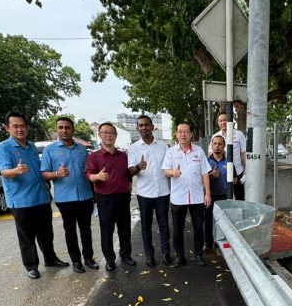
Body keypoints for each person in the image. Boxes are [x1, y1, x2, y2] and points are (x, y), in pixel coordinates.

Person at [0, 110, 68, 279]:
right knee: (26, 236)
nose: (19, 129)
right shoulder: (3, 147)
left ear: (27, 128)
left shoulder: (31, 146)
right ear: (8, 128)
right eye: (15, 126)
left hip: (41, 197)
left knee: (46, 233)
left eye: (22, 126)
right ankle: (31, 266)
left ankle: (50, 259)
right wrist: (16, 170)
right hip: (20, 201)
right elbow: (3, 171)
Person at [41, 116, 99, 273]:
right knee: (70, 231)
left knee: (86, 230)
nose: (64, 130)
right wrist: (56, 174)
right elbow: (44, 174)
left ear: (73, 130)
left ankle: (88, 258)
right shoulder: (49, 150)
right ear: (56, 130)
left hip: (85, 197)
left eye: (67, 127)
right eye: (60, 127)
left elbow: (89, 171)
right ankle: (76, 261)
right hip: (65, 199)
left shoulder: (82, 149)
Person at [84, 122, 136, 271]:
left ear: (115, 136)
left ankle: (126, 255)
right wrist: (97, 176)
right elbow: (88, 174)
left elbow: (128, 174)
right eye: (105, 132)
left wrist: (129, 185)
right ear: (99, 135)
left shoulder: (122, 155)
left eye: (111, 133)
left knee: (125, 229)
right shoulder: (94, 156)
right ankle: (110, 259)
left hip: (122, 197)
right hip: (104, 199)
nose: (108, 135)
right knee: (106, 230)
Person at [162, 122, 211, 267]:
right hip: (178, 198)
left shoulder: (199, 151)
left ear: (191, 134)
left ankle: (198, 255)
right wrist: (173, 173)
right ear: (176, 134)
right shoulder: (171, 152)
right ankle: (180, 256)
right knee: (178, 229)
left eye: (186, 132)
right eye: (180, 132)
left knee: (198, 228)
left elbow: (204, 174)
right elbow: (165, 171)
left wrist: (207, 193)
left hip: (196, 197)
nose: (183, 134)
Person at [128, 115, 171, 267]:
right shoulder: (133, 148)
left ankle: (166, 253)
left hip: (163, 192)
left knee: (164, 225)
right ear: (137, 128)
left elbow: (169, 166)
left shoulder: (163, 146)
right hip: (144, 194)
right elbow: (130, 171)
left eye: (146, 125)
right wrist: (139, 167)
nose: (144, 128)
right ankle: (149, 255)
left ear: (152, 127)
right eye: (141, 125)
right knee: (146, 226)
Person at [204, 134, 233, 252]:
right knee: (208, 220)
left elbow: (234, 179)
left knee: (221, 222)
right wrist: (211, 176)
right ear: (211, 145)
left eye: (220, 144)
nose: (217, 146)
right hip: (210, 196)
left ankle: (219, 244)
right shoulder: (206, 161)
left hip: (224, 196)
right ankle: (208, 243)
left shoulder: (229, 162)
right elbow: (201, 179)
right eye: (215, 144)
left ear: (224, 146)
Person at [210, 111, 246, 200]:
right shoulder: (215, 136)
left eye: (225, 120)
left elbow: (244, 154)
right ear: (218, 123)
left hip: (237, 172)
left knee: (240, 199)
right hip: (221, 174)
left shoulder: (239, 134)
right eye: (220, 120)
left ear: (230, 121)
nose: (223, 122)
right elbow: (210, 154)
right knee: (222, 200)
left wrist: (246, 172)